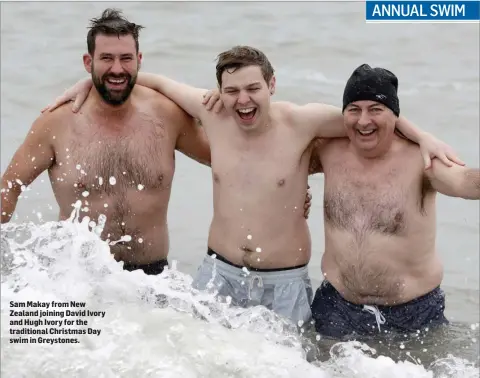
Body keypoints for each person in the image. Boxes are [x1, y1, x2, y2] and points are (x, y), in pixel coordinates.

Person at [41, 46, 462, 325]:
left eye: (253, 88)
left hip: (285, 283)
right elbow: (149, 80)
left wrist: (423, 136)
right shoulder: (213, 115)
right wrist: (91, 83)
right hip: (217, 273)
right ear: (219, 93)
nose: (243, 100)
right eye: (232, 91)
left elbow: (370, 117)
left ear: (272, 86)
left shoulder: (304, 121)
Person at [0, 9, 214, 276]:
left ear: (139, 60)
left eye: (126, 58)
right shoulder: (56, 123)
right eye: (106, 59)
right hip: (76, 278)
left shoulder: (168, 115)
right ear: (88, 62)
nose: (117, 69)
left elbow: (225, 162)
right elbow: (9, 187)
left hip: (153, 277)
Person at [307, 64, 480, 338]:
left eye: (375, 110)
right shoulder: (329, 152)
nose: (364, 121)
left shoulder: (420, 161)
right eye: (354, 110)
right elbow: (277, 159)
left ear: (395, 117)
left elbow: (465, 182)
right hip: (335, 307)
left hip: (413, 313)